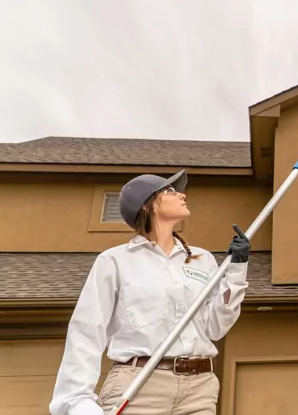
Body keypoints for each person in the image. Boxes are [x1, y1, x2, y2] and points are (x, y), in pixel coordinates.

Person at [49, 169, 250, 415]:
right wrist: (76, 400)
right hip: (138, 387)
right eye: (170, 191)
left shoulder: (201, 259)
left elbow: (215, 328)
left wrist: (237, 269)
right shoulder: (115, 261)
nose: (182, 195)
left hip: (200, 389)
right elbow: (87, 330)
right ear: (148, 206)